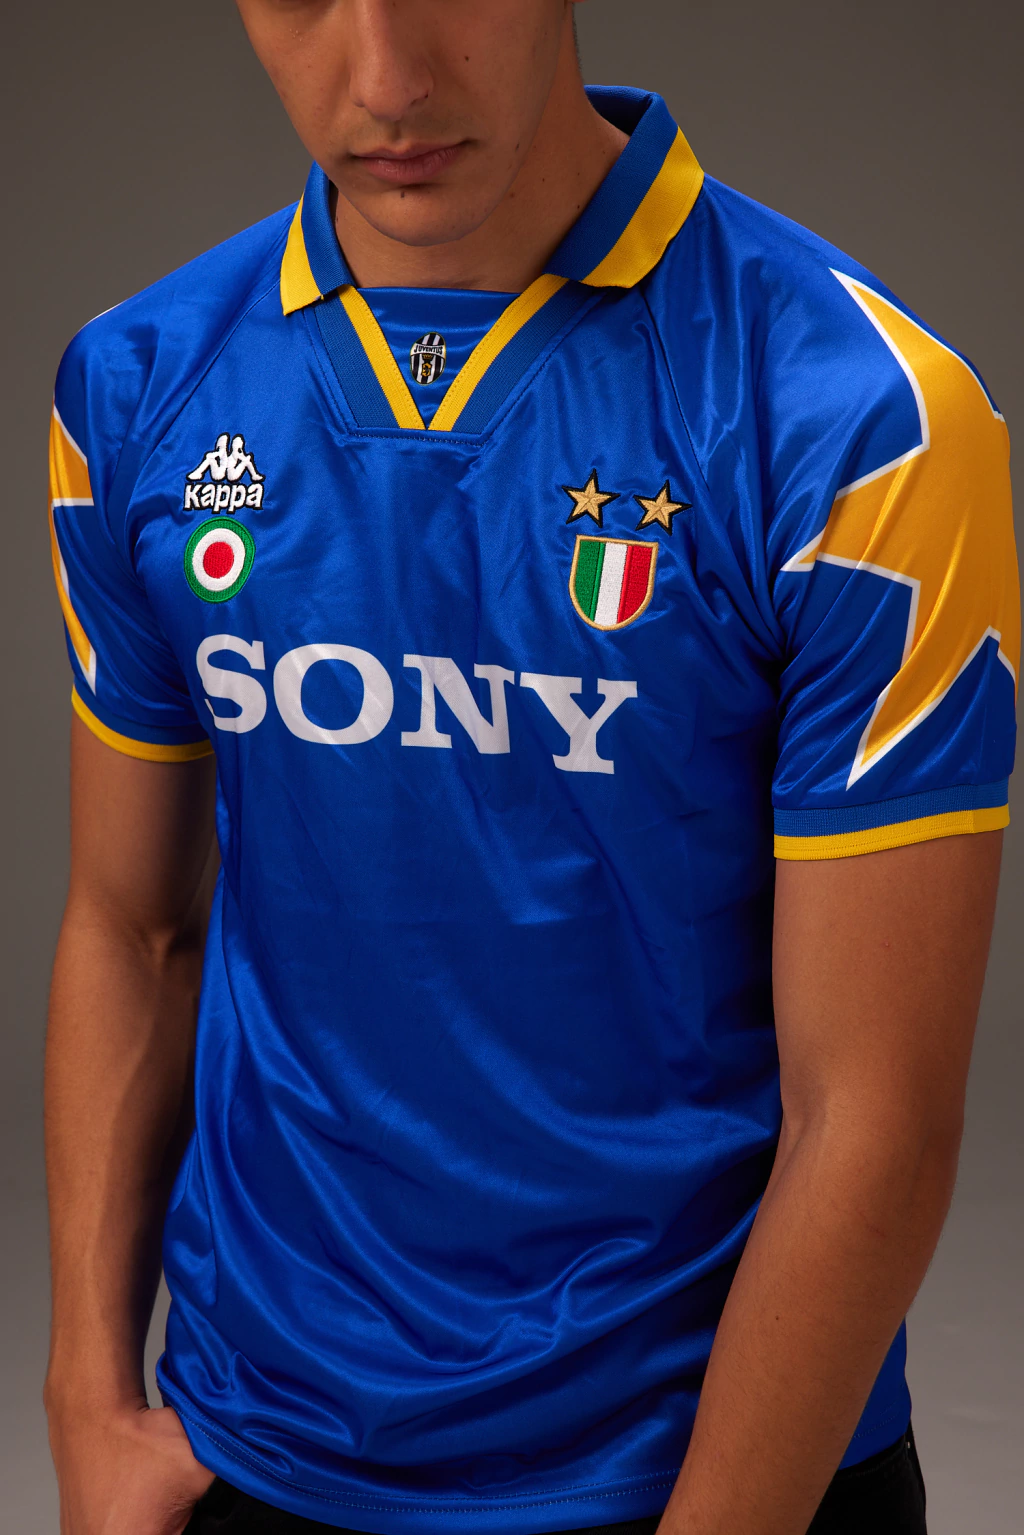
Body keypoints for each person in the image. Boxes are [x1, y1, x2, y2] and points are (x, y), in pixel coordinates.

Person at [42, 3, 1018, 1534]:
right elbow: (135, 925)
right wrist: (86, 1402)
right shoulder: (136, 386)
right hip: (260, 1454)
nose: (386, 77)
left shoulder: (868, 421)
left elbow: (875, 1119)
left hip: (716, 1475)